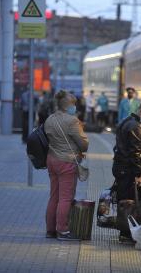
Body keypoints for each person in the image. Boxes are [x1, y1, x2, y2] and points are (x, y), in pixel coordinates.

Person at [44, 90, 89, 241]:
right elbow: (84, 144)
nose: (75, 107)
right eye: (74, 104)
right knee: (65, 198)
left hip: (51, 160)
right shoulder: (72, 121)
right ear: (68, 105)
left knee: (54, 197)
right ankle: (63, 230)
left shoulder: (49, 119)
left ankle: (50, 230)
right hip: (67, 162)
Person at [112, 106, 141, 243]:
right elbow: (135, 151)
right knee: (128, 201)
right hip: (127, 168)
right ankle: (127, 232)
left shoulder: (126, 120)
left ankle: (124, 231)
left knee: (123, 199)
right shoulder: (135, 126)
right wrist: (138, 173)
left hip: (120, 166)